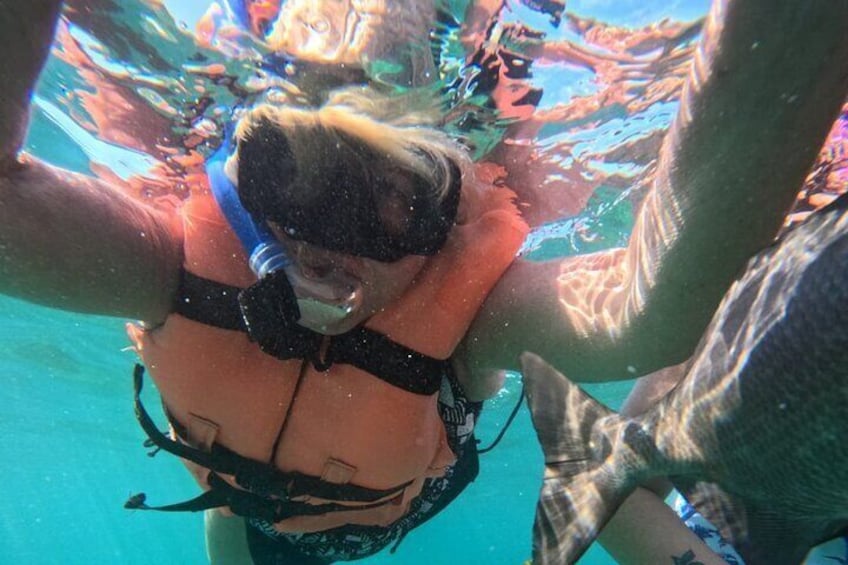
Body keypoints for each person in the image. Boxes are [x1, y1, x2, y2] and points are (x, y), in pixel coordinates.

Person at [2, 1, 847, 564]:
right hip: (245, 508)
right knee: (243, 519)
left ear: (447, 208)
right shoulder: (164, 261)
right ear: (239, 175)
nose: (328, 249)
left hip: (338, 503)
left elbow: (645, 312)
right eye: (289, 183)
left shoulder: (470, 319)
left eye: (389, 205)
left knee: (244, 522)